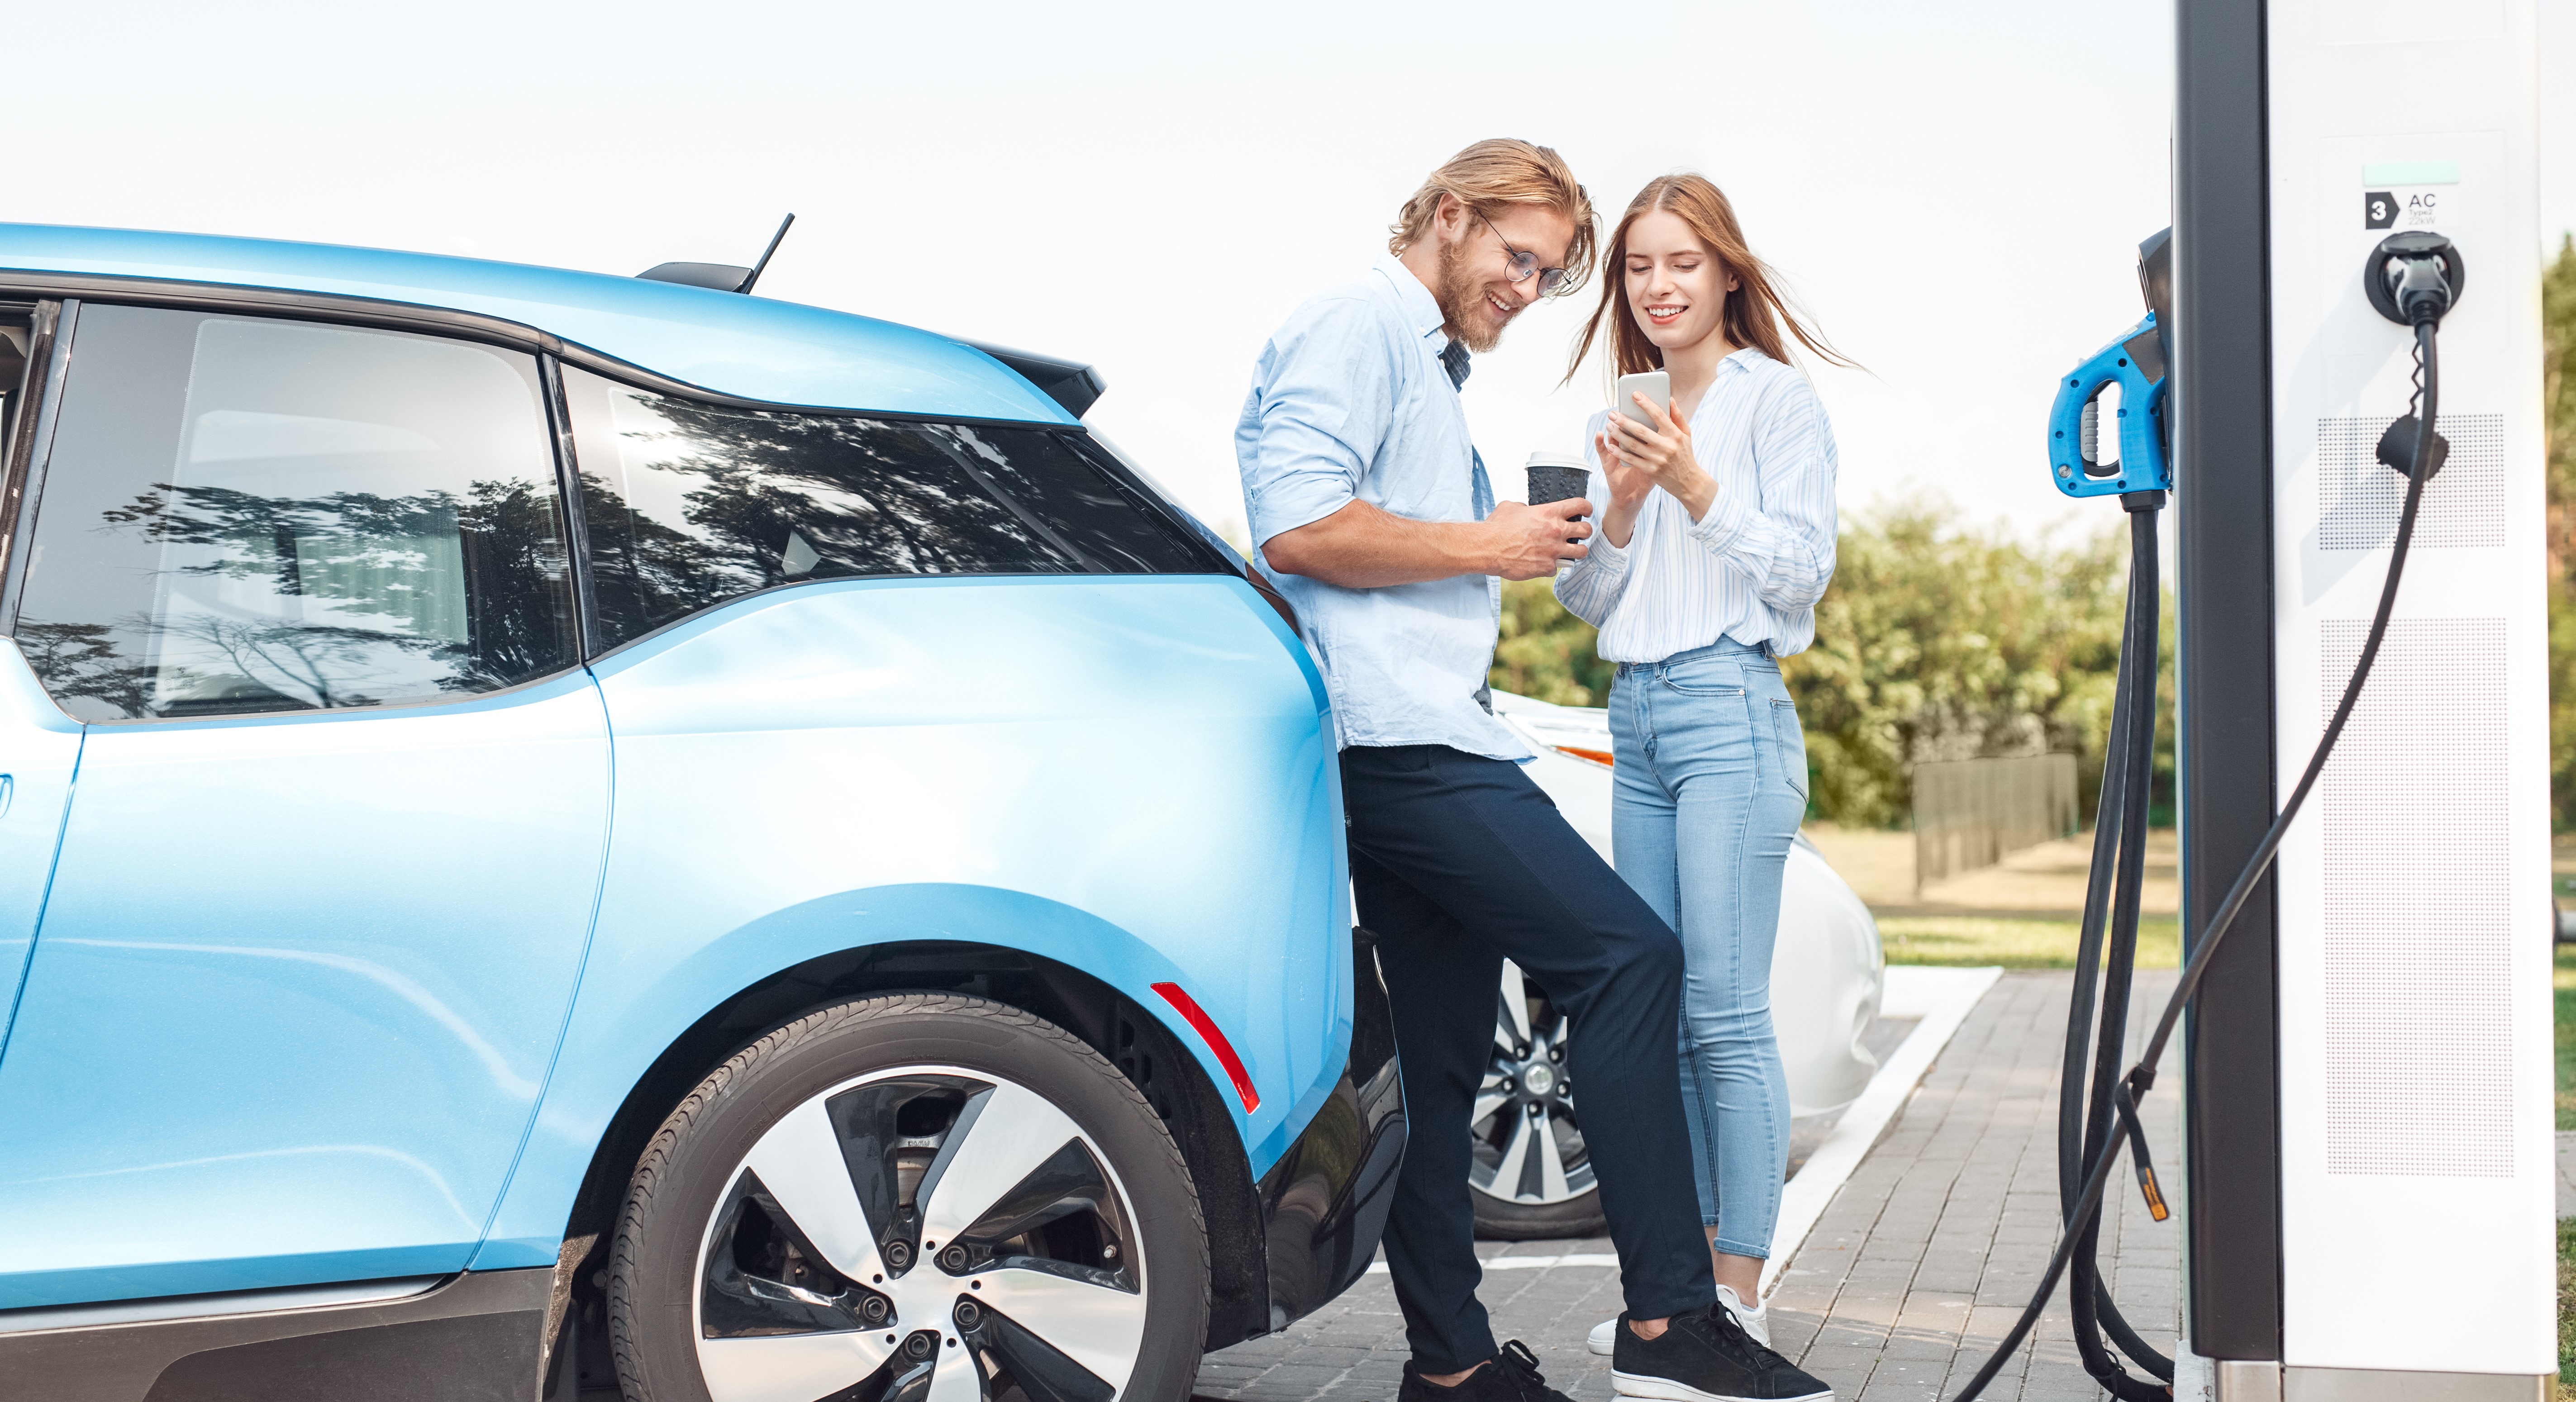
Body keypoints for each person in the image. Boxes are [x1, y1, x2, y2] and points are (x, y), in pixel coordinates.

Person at [1238, 139, 1832, 1402]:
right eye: (1519, 256)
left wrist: (1530, 540)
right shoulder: (1359, 322)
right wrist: (1497, 539)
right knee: (1630, 962)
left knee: (1444, 1059)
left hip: (1429, 732)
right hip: (1404, 745)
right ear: (1447, 215)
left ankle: (1453, 1366)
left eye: (1553, 272)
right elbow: (1296, 524)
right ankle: (1674, 1322)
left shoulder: (1425, 363)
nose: (1528, 286)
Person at [1554, 173, 1848, 1377]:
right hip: (1642, 723)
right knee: (1659, 1014)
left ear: (1727, 272)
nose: (1659, 285)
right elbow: (1586, 598)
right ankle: (1677, 1301)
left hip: (1733, 709)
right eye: (1638, 267)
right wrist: (1621, 504)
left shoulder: (1777, 403)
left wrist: (1692, 486)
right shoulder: (1616, 418)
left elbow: (1801, 574)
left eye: (1682, 262)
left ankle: (1742, 1293)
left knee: (1727, 1014)